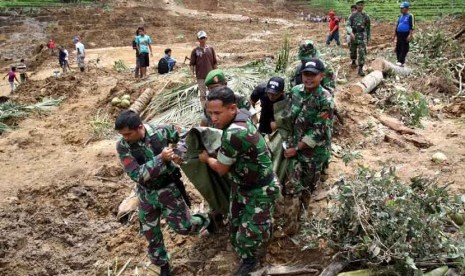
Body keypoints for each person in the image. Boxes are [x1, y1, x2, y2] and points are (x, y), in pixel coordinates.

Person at [115, 110, 213, 276]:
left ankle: (208, 220)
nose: (125, 138)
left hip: (168, 189)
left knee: (184, 227)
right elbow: (137, 175)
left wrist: (179, 152)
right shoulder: (123, 146)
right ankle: (163, 264)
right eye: (122, 134)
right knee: (150, 233)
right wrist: (161, 158)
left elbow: (187, 134)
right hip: (146, 194)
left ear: (140, 128)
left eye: (128, 134)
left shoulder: (161, 131)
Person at [199, 87, 279, 276]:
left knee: (248, 237)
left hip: (260, 190)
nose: (213, 118)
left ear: (232, 109)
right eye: (210, 113)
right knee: (235, 225)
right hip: (243, 185)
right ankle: (258, 232)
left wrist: (206, 159)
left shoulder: (234, 133)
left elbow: (220, 168)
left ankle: (251, 260)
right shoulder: (242, 116)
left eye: (217, 113)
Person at [277, 59, 335, 237]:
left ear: (321, 76)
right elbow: (287, 118)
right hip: (293, 150)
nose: (308, 78)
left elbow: (318, 130)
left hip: (313, 154)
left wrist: (298, 148)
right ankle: (290, 225)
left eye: (313, 75)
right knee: (291, 187)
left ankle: (301, 217)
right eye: (305, 74)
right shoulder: (295, 92)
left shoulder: (325, 100)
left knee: (307, 188)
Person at [190, 30, 218, 107]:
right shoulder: (195, 51)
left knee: (213, 93)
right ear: (198, 39)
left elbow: (214, 62)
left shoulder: (211, 49)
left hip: (211, 75)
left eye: (203, 38)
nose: (202, 40)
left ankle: (213, 108)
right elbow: (192, 64)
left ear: (206, 38)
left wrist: (216, 74)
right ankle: (205, 110)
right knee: (203, 95)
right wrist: (192, 75)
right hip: (200, 76)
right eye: (200, 38)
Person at [348, 0, 371, 76]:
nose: (360, 6)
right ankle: (353, 60)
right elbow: (348, 25)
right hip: (354, 35)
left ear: (363, 6)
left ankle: (360, 68)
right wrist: (350, 32)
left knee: (362, 52)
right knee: (353, 50)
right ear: (356, 6)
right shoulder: (352, 15)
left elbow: (368, 28)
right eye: (358, 5)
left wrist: (368, 38)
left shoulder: (366, 16)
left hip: (362, 35)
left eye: (361, 5)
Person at [394, 2, 415, 67]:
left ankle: (401, 61)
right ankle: (398, 60)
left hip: (405, 34)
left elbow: (412, 26)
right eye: (401, 8)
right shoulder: (400, 16)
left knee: (404, 48)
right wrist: (394, 35)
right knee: (398, 48)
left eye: (402, 8)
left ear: (407, 8)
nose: (401, 9)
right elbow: (397, 25)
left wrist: (410, 35)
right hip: (399, 34)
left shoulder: (410, 16)